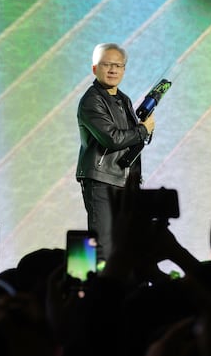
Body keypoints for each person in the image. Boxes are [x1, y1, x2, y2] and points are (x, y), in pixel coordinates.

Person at [76, 43, 155, 262]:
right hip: (102, 181)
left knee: (126, 246)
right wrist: (143, 130)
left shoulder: (123, 99)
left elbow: (131, 138)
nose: (113, 70)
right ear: (94, 68)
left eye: (118, 65)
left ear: (124, 70)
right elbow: (112, 139)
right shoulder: (91, 100)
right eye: (107, 65)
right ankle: (95, 283)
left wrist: (144, 130)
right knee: (103, 246)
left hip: (124, 182)